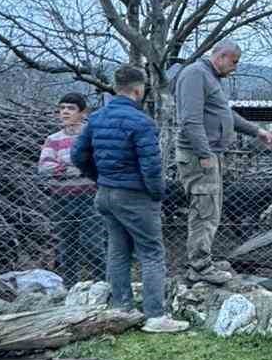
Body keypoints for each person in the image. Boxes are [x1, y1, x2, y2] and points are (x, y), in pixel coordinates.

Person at [71, 65, 187, 334]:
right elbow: (151, 166)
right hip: (135, 196)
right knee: (152, 253)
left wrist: (98, 178)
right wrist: (157, 193)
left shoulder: (97, 118)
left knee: (118, 251)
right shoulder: (141, 122)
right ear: (139, 89)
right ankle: (155, 316)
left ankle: (122, 308)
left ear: (115, 87)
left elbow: (77, 155)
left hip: (105, 194)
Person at [174, 41, 272, 285]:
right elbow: (190, 120)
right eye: (234, 62)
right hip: (199, 155)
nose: (235, 68)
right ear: (221, 56)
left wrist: (256, 131)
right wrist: (204, 154)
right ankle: (199, 266)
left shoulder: (211, 79)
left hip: (210, 154)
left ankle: (203, 258)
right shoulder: (194, 74)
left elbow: (225, 114)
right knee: (204, 209)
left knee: (212, 210)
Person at [37, 92, 105, 286]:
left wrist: (76, 167)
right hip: (61, 200)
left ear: (83, 113)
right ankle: (70, 287)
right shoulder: (53, 140)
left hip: (90, 197)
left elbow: (98, 163)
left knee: (92, 244)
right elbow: (44, 167)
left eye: (71, 108)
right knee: (67, 247)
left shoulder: (92, 137)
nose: (65, 112)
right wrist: (72, 168)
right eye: (62, 108)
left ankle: (105, 283)